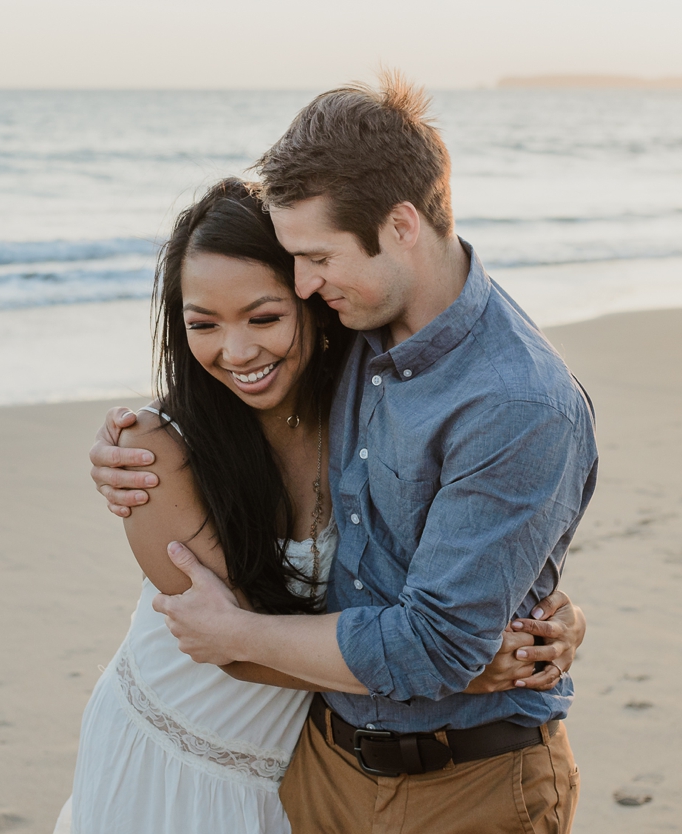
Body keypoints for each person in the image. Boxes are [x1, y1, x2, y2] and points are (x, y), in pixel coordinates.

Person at [90, 72, 599, 833]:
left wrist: (536, 627)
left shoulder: (516, 404)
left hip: (464, 780)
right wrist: (131, 435)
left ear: (400, 226)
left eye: (316, 258)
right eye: (293, 260)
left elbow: (436, 642)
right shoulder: (352, 333)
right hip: (319, 769)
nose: (303, 283)